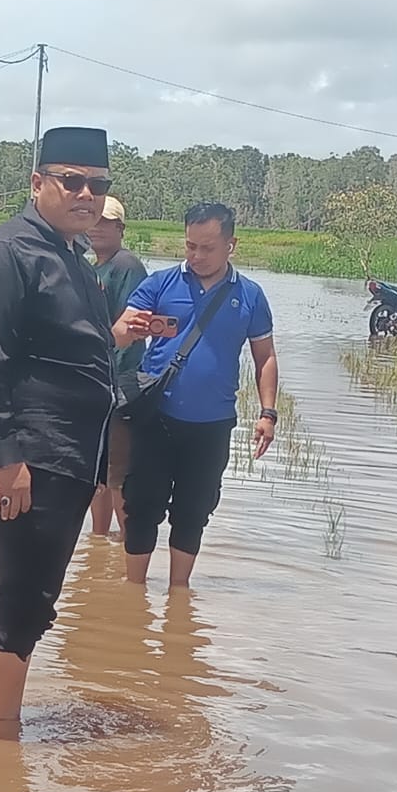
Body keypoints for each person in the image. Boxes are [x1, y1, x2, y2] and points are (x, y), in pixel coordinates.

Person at [0, 125, 116, 741]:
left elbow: (65, 351)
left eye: (96, 185)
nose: (85, 194)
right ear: (38, 182)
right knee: (21, 602)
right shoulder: (6, 254)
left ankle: (0, 732)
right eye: (71, 181)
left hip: (66, 458)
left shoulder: (70, 256)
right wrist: (6, 457)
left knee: (33, 601)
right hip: (24, 459)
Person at [112, 202, 278, 588]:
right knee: (142, 505)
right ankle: (134, 592)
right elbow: (118, 331)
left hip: (212, 424)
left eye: (207, 248)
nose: (197, 256)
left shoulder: (250, 296)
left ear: (230, 245)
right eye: (190, 246)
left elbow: (264, 356)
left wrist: (268, 413)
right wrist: (128, 329)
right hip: (156, 417)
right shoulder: (161, 283)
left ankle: (178, 592)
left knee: (194, 510)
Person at [87, 195, 148, 537]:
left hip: (120, 380)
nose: (96, 227)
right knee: (99, 474)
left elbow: (132, 328)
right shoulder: (92, 266)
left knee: (118, 474)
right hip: (97, 379)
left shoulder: (126, 266)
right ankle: (98, 542)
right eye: (93, 219)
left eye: (105, 222)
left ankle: (129, 544)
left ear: (120, 228)